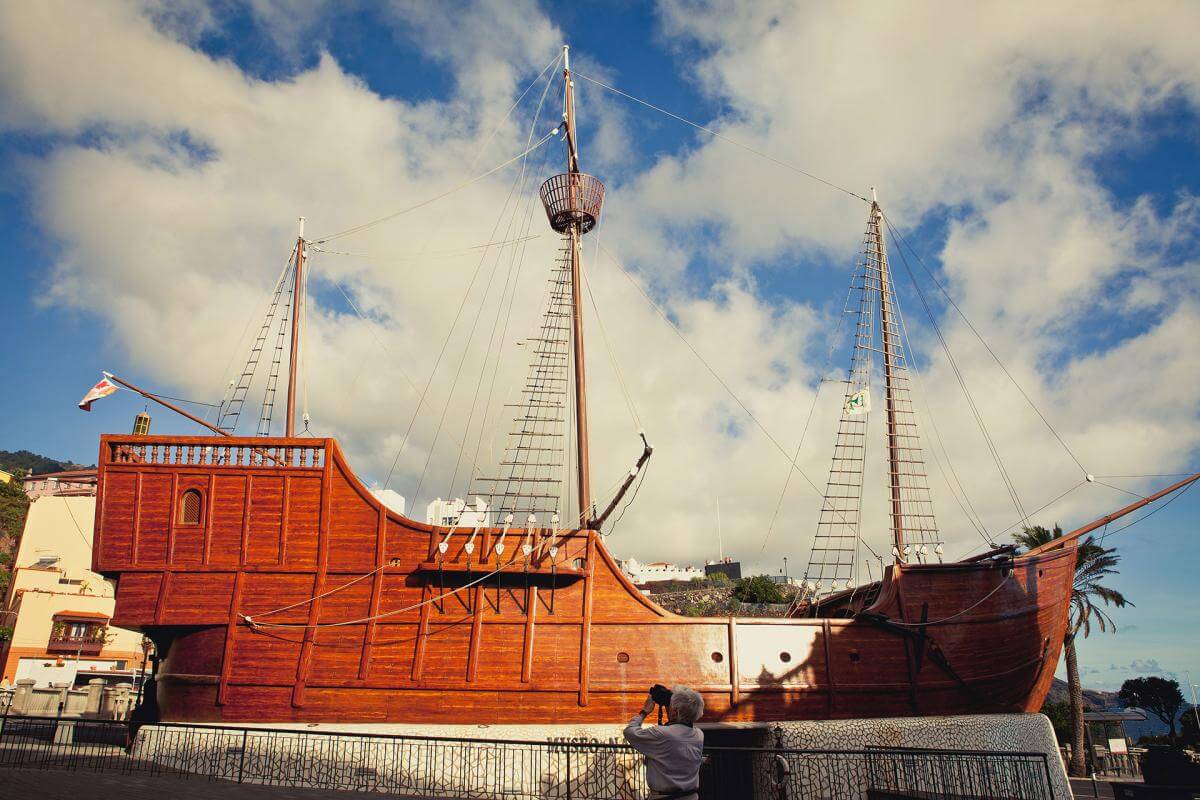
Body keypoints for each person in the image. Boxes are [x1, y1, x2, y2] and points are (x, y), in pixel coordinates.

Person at [623, 684, 705, 800]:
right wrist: (671, 704)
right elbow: (678, 724)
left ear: (674, 712)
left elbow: (629, 732)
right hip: (691, 796)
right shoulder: (699, 735)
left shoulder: (661, 734)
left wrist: (644, 712)